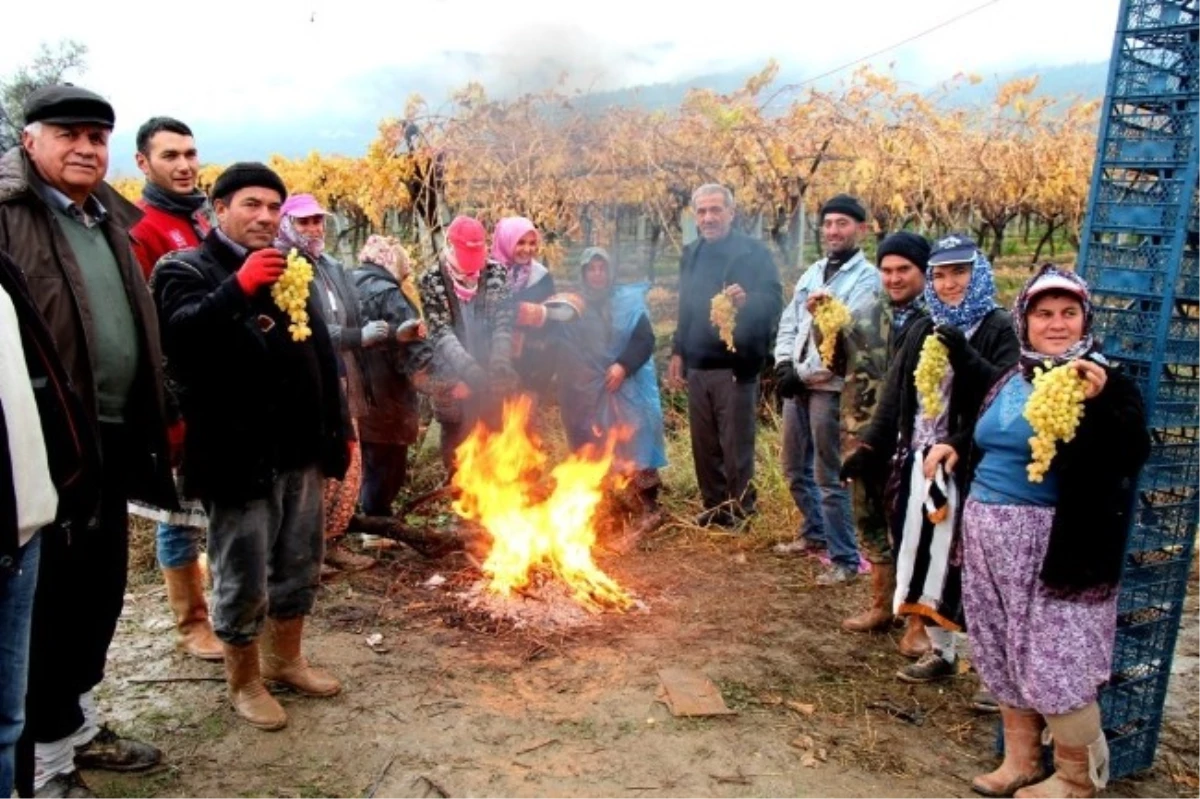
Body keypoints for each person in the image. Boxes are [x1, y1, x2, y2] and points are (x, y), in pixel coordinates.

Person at [0, 84, 177, 797]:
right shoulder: (9, 217)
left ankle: (76, 724)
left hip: (111, 439)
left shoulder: (104, 216)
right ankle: (44, 768)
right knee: (50, 605)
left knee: (100, 594)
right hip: (45, 448)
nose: (85, 148)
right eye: (68, 133)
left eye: (97, 137)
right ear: (29, 139)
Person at [152, 163, 349, 731]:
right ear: (218, 208)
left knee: (298, 562)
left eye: (272, 207)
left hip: (300, 451)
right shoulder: (184, 268)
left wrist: (335, 435)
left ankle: (285, 659)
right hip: (238, 457)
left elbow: (320, 357)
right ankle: (244, 680)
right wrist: (236, 289)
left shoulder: (294, 269)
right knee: (242, 572)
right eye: (251, 205)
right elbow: (179, 338)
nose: (264, 217)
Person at [963, 266, 1148, 798]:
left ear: (1085, 320)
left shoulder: (1101, 380)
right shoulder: (1010, 375)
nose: (1057, 324)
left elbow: (1132, 450)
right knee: (998, 647)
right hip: (987, 534)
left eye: (1069, 313)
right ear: (1025, 319)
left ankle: (1075, 780)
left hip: (1056, 544)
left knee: (1058, 657)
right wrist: (955, 447)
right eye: (1044, 313)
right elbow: (985, 436)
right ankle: (1021, 761)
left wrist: (1104, 402)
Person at [841, 234, 1019, 680]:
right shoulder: (924, 326)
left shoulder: (1000, 328)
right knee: (921, 554)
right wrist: (868, 448)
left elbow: (1004, 396)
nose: (949, 283)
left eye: (959, 273)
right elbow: (895, 400)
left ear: (978, 274)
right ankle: (941, 652)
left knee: (971, 566)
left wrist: (964, 354)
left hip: (972, 466)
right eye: (941, 275)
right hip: (917, 463)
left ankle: (990, 671)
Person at [0, 248, 99, 799]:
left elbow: (44, 384)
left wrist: (68, 473)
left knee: (8, 718)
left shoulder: (2, 272)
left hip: (26, 521)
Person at [126, 116, 221, 662]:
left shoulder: (205, 219)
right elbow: (149, 328)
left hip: (219, 395)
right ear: (144, 163)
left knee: (211, 505)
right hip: (180, 398)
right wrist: (169, 408)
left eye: (190, 153)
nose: (184, 165)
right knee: (179, 514)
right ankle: (190, 624)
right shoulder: (145, 230)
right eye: (170, 156)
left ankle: (221, 608)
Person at [274, 193, 392, 573]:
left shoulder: (331, 266)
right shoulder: (282, 267)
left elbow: (353, 311)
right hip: (308, 377)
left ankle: (333, 542)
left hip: (345, 374)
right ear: (287, 224)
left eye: (317, 221)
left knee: (348, 459)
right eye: (304, 222)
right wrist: (357, 336)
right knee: (317, 464)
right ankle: (304, 552)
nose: (313, 228)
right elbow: (306, 330)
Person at [773, 194, 881, 585]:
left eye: (843, 224)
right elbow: (791, 321)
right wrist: (784, 363)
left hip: (828, 388)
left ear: (861, 230)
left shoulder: (868, 279)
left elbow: (845, 337)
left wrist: (801, 375)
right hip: (797, 382)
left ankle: (845, 558)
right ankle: (814, 533)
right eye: (829, 224)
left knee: (829, 475)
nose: (834, 231)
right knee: (793, 467)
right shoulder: (814, 271)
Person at [665, 184, 782, 527]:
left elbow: (774, 300)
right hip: (698, 363)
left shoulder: (753, 253)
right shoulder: (692, 253)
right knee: (704, 445)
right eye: (702, 211)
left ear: (731, 213)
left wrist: (748, 301)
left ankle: (742, 510)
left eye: (716, 210)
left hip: (736, 364)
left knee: (735, 444)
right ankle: (715, 507)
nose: (709, 217)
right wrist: (677, 350)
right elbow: (685, 308)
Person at [840, 232, 930, 634]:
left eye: (904, 270)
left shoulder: (938, 319)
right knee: (869, 515)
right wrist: (823, 323)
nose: (894, 278)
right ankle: (881, 605)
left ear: (923, 272)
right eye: (887, 270)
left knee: (914, 524)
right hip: (862, 431)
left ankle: (917, 621)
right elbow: (835, 361)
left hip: (916, 437)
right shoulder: (865, 312)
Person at [556, 247, 667, 553]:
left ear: (610, 272)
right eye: (590, 269)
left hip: (628, 385)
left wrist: (623, 365)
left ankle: (648, 507)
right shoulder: (573, 306)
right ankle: (608, 509)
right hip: (590, 388)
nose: (597, 275)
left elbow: (645, 339)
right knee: (597, 445)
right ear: (583, 273)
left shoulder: (628, 302)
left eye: (602, 269)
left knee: (637, 439)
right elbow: (564, 346)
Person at [416, 215, 517, 473]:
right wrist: (469, 371)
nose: (474, 263)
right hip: (451, 371)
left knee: (494, 433)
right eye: (466, 254)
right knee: (456, 434)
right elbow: (440, 332)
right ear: (451, 246)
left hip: (489, 367)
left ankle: (496, 496)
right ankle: (459, 497)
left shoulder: (496, 272)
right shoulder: (432, 279)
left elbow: (503, 322)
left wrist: (500, 362)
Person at [351, 235, 430, 516]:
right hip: (388, 393)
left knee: (367, 458)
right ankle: (377, 521)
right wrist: (428, 378)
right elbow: (413, 343)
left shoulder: (346, 283)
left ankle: (363, 517)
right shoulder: (390, 294)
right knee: (388, 461)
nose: (405, 273)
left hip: (355, 390)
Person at [491, 217, 558, 404]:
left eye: (532, 243)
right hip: (493, 366)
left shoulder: (541, 277)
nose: (527, 249)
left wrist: (542, 315)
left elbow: (553, 321)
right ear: (506, 240)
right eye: (520, 242)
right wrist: (516, 313)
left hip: (531, 366)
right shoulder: (486, 274)